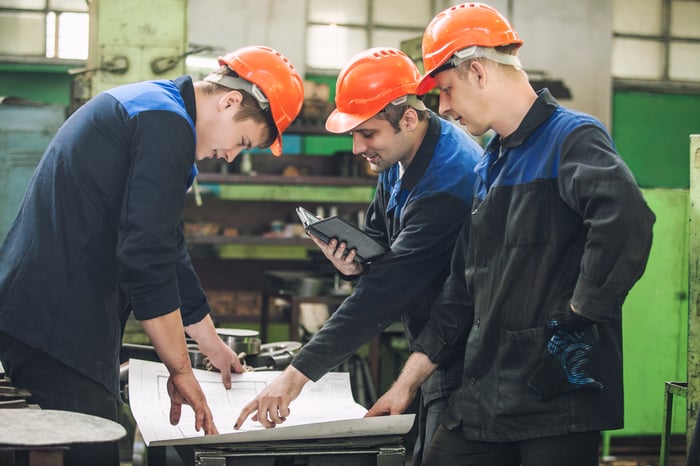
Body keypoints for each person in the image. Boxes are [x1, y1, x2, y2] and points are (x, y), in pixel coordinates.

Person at [364, 4, 656, 466]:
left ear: (477, 71)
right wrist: (405, 386)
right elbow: (461, 294)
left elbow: (627, 222)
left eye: (445, 90)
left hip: (554, 403)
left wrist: (577, 323)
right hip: (484, 398)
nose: (442, 108)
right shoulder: (490, 164)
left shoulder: (571, 139)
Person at [0, 45, 304, 466]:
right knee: (90, 454)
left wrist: (210, 343)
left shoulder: (155, 107)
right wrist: (180, 370)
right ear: (229, 100)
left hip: (48, 312)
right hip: (56, 320)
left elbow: (168, 245)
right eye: (241, 141)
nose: (231, 156)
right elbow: (146, 254)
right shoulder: (165, 123)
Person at [234, 47, 482, 465]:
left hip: (459, 351)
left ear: (407, 118)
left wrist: (296, 376)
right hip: (428, 337)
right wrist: (355, 263)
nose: (356, 147)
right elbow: (379, 238)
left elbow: (385, 291)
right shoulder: (400, 154)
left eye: (366, 133)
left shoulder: (449, 181)